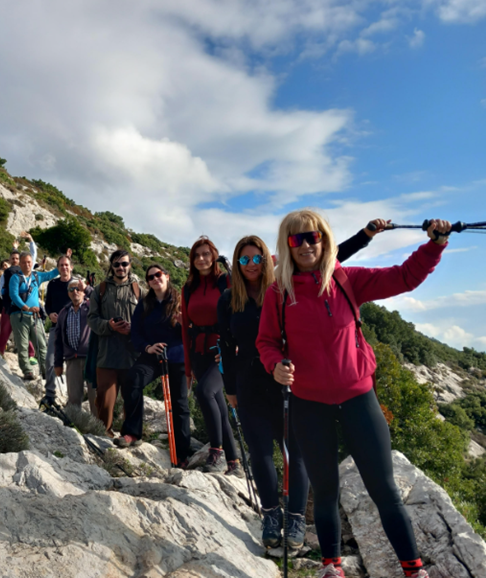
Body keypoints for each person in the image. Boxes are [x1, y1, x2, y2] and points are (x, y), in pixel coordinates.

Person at [256, 209, 450, 578]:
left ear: (324, 239)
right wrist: (275, 364)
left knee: (385, 491)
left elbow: (405, 278)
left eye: (312, 236)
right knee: (325, 492)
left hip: (359, 399)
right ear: (287, 245)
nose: (306, 245)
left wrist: (435, 245)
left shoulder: (347, 280)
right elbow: (266, 341)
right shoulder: (277, 292)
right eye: (296, 239)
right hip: (309, 404)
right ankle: (332, 567)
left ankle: (414, 570)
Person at [217, 220, 388, 550]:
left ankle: (296, 516)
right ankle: (270, 514)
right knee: (260, 453)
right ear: (236, 265)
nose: (251, 265)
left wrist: (365, 236)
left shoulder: (283, 287)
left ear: (267, 261)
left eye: (257, 258)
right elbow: (226, 345)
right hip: (249, 381)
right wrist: (230, 389)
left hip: (287, 379)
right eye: (244, 260)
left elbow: (331, 256)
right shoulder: (228, 300)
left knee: (296, 452)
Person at [117, 264, 191, 465]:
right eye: (150, 277)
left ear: (166, 276)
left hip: (176, 356)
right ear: (148, 282)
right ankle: (132, 433)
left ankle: (182, 454)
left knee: (180, 403)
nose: (155, 279)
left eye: (158, 275)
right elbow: (136, 332)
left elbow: (192, 328)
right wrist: (147, 347)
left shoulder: (180, 300)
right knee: (133, 380)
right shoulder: (145, 303)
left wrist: (186, 323)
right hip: (152, 355)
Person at [181, 237, 241, 476]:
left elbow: (238, 314)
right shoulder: (188, 288)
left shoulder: (225, 280)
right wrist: (187, 369)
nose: (201, 259)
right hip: (198, 352)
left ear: (214, 255)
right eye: (197, 255)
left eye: (206, 254)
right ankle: (234, 463)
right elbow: (185, 328)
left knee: (204, 392)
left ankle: (215, 451)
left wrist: (235, 348)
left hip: (222, 351)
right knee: (218, 406)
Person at [87, 249, 142, 435]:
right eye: (117, 264)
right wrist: (109, 325)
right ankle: (103, 437)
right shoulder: (100, 289)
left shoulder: (138, 291)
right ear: (111, 266)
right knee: (105, 402)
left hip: (132, 357)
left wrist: (132, 329)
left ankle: (129, 437)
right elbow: (92, 319)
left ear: (130, 265)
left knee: (132, 400)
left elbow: (148, 322)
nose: (121, 267)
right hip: (107, 356)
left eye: (124, 264)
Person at [43, 250, 90, 404]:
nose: (64, 268)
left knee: (76, 365)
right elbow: (48, 304)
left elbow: (90, 302)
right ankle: (50, 394)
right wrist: (50, 315)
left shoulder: (78, 283)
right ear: (58, 268)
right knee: (50, 361)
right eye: (61, 265)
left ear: (71, 267)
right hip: (57, 328)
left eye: (66, 265)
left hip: (79, 330)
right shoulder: (53, 284)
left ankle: (79, 399)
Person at [9, 251, 59, 380]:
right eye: (24, 262)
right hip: (19, 315)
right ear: (19, 263)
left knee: (42, 344)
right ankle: (27, 371)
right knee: (23, 345)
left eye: (29, 262)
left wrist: (64, 262)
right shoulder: (15, 278)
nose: (27, 265)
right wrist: (27, 308)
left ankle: (46, 370)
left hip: (35, 316)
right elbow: (13, 295)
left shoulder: (37, 276)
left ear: (32, 263)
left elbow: (51, 274)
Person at [54, 277, 95, 413]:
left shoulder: (92, 307)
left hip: (92, 359)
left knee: (95, 397)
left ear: (83, 292)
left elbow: (102, 299)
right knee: (73, 398)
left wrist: (88, 289)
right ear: (68, 293)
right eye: (72, 289)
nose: (75, 291)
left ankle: (100, 430)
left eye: (78, 289)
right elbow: (58, 340)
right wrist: (58, 363)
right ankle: (74, 428)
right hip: (72, 360)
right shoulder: (63, 313)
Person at [0, 232, 37, 355]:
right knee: (4, 331)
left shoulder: (26, 270)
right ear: (9, 260)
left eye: (17, 259)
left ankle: (31, 354)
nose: (15, 260)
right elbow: (1, 291)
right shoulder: (6, 273)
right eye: (13, 259)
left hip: (23, 307)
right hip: (9, 307)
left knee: (24, 331)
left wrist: (30, 239)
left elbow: (34, 255)